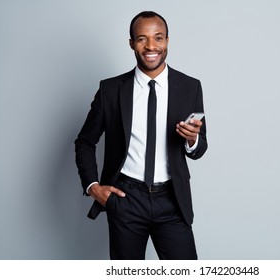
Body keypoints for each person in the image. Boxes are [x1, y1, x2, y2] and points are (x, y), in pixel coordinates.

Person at [74, 11, 207, 260]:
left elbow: (200, 148)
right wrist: (93, 187)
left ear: (167, 40)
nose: (151, 46)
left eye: (158, 38)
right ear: (132, 43)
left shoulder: (190, 87)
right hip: (126, 199)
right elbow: (85, 141)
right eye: (142, 39)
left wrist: (192, 140)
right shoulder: (110, 90)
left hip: (173, 201)